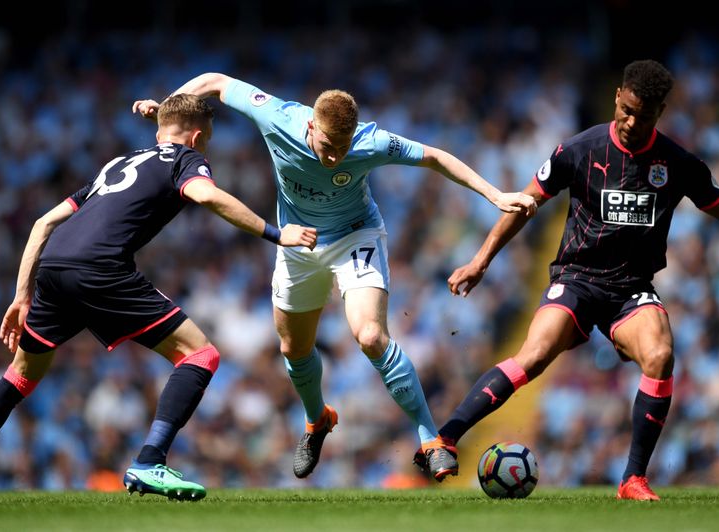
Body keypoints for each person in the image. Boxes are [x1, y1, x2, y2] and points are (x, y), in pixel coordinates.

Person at [426, 59, 719, 500]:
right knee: (534, 355)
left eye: (644, 114)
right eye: (627, 109)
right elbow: (524, 204)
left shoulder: (675, 162)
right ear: (617, 96)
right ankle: (444, 438)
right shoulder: (579, 149)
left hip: (630, 289)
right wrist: (480, 261)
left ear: (661, 112)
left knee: (660, 355)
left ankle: (633, 479)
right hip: (577, 278)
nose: (632, 122)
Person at [133, 75, 537, 482]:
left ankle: (431, 439)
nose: (333, 158)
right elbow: (218, 82)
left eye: (342, 149)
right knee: (293, 347)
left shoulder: (370, 142)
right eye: (327, 146)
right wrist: (168, 106)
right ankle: (317, 421)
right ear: (311, 127)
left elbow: (434, 157)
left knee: (370, 336)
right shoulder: (277, 116)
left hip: (355, 236)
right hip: (297, 243)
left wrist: (496, 196)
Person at [0, 94, 317, 502]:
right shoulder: (186, 160)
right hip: (100, 267)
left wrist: (21, 296)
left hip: (55, 266)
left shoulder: (117, 164)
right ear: (198, 136)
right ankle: (150, 461)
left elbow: (43, 224)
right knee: (200, 356)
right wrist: (276, 233)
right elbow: (207, 195)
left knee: (20, 375)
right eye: (208, 138)